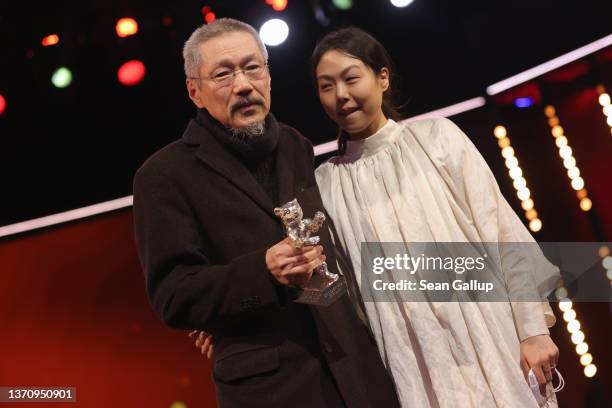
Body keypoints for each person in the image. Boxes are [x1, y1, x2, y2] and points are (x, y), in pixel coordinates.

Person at [132, 19, 400, 408]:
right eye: (223, 74)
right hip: (271, 391)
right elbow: (173, 296)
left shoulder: (296, 146)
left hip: (355, 372)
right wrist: (262, 274)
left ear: (268, 76)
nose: (243, 85)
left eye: (253, 67)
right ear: (195, 91)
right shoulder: (163, 175)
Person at [311, 27, 562, 407]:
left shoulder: (437, 139)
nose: (341, 95)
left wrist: (532, 330)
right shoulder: (325, 184)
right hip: (412, 366)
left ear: (382, 78)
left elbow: (500, 231)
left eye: (351, 78)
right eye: (326, 86)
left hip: (492, 342)